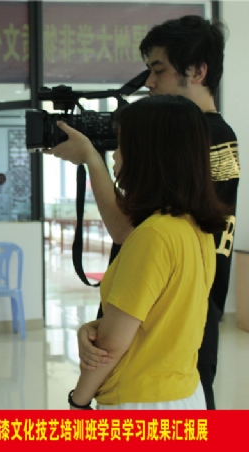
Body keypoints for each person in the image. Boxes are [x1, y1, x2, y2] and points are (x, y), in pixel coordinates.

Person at [46, 15, 240, 410]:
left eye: (158, 69)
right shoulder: (184, 206)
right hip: (166, 322)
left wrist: (91, 160)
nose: (149, 82)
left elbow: (127, 230)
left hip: (166, 335)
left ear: (198, 71)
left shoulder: (206, 141)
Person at [66, 94, 229, 409]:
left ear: (148, 155)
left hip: (140, 403)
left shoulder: (153, 235)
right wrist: (94, 327)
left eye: (122, 145)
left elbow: (111, 347)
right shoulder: (196, 228)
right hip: (184, 394)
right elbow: (160, 317)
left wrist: (78, 401)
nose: (115, 155)